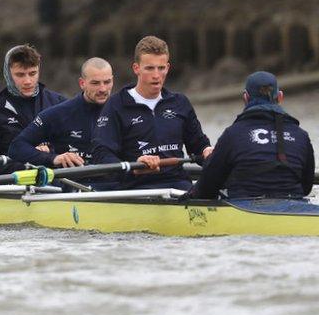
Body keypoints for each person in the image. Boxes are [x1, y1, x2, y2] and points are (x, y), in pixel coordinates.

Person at [92, 35, 212, 190]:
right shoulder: (116, 105)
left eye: (161, 68)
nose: (156, 75)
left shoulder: (180, 103)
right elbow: (101, 154)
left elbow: (198, 145)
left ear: (167, 68)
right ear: (136, 68)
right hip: (135, 188)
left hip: (177, 185)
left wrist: (207, 150)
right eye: (149, 68)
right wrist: (135, 167)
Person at [187, 71, 315, 199]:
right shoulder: (301, 136)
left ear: (246, 98)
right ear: (280, 97)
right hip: (294, 210)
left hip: (244, 210)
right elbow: (306, 187)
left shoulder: (232, 135)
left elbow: (206, 189)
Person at [0, 44, 66, 174]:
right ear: (8, 74)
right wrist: (32, 158)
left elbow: (74, 147)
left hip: (58, 181)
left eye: (32, 73)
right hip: (14, 185)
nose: (28, 81)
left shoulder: (59, 103)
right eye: (20, 75)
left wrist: (50, 153)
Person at [9, 57, 113, 169]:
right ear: (82, 83)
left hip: (119, 184)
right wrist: (53, 158)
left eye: (107, 82)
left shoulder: (121, 111)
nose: (103, 89)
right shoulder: (60, 114)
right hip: (74, 183)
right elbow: (16, 147)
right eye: (95, 83)